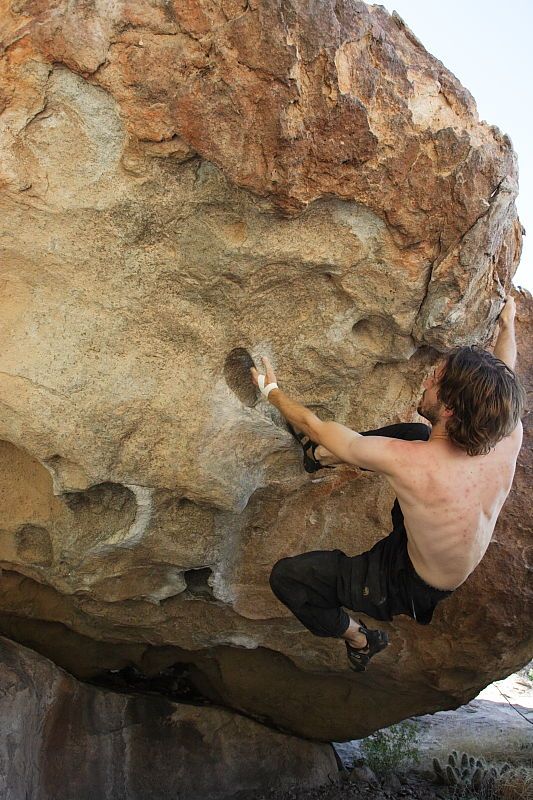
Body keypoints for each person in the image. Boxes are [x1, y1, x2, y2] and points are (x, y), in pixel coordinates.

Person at [250, 295, 525, 671]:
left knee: (289, 578)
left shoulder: (415, 464)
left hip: (407, 582)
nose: (428, 380)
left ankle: (361, 639)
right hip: (432, 542)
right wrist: (507, 323)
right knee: (414, 432)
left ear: (448, 409)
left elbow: (318, 426)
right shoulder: (507, 434)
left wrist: (272, 392)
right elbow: (504, 371)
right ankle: (318, 458)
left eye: (436, 382)